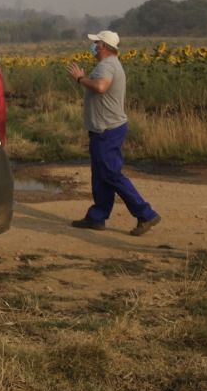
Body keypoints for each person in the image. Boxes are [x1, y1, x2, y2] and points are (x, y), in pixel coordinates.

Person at [66, 30, 161, 236]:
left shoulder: (107, 66)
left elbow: (100, 86)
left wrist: (80, 78)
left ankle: (146, 214)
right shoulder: (109, 65)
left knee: (111, 174)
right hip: (104, 128)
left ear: (104, 46)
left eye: (96, 43)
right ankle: (97, 217)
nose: (93, 46)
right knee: (100, 175)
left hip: (107, 130)